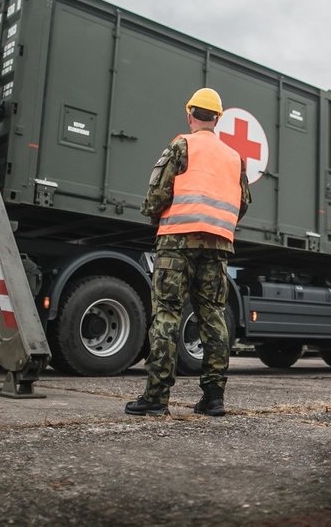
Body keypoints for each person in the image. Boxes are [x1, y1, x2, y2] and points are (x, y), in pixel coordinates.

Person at [125, 87, 251, 417]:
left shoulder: (182, 145)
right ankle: (213, 398)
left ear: (190, 114)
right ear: (219, 118)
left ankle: (156, 398)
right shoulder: (233, 158)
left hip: (176, 243)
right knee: (212, 316)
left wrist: (155, 215)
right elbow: (244, 203)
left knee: (167, 312)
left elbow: (157, 193)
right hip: (217, 246)